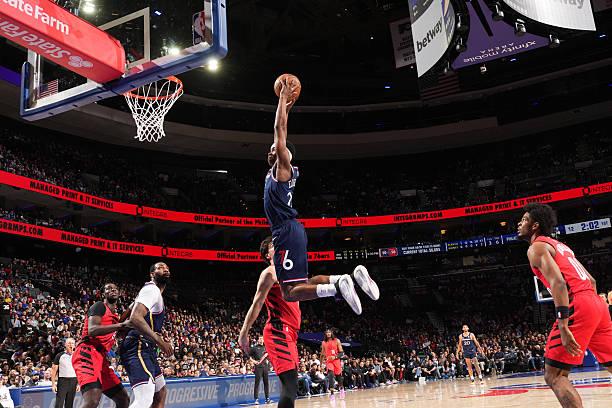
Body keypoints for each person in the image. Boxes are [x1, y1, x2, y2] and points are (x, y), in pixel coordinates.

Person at [263, 76, 379, 314]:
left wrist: (282, 98)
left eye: (274, 148)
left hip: (284, 230)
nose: (270, 150)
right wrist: (287, 107)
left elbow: (279, 129)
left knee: (289, 292)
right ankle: (346, 278)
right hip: (291, 229)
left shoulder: (282, 168)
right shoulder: (278, 171)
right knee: (303, 283)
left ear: (285, 154)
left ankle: (336, 288)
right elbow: (280, 131)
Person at [240, 237, 371, 408]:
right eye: (274, 246)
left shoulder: (289, 274)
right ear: (267, 255)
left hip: (291, 334)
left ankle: (347, 279)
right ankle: (337, 288)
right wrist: (244, 333)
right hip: (278, 331)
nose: (279, 247)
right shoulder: (270, 272)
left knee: (291, 385)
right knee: (290, 384)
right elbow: (256, 304)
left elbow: (311, 283)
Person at [518, 203, 612, 407]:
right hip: (596, 302)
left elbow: (558, 283)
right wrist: (593, 309)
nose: (519, 223)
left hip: (578, 302)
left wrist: (563, 324)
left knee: (554, 375)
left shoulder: (537, 247)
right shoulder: (561, 246)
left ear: (535, 225)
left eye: (524, 220)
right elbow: (592, 281)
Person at [120, 262, 173, 408]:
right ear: (152, 274)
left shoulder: (149, 292)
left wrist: (120, 328)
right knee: (144, 400)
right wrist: (160, 342)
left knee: (160, 392)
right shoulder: (152, 290)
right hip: (138, 345)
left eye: (167, 268)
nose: (165, 269)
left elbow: (128, 313)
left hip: (145, 346)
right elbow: (135, 317)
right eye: (160, 268)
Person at [72, 283, 131, 408]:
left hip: (101, 357)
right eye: (108, 288)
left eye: (115, 288)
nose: (112, 290)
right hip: (87, 351)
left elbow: (120, 326)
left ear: (119, 293)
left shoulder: (114, 317)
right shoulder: (99, 306)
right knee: (92, 400)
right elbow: (92, 330)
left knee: (123, 399)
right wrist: (120, 325)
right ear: (103, 293)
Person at [51, 338, 78, 408]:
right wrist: (53, 384)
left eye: (72, 343)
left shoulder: (77, 355)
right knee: (59, 403)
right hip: (63, 381)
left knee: (70, 404)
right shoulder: (59, 355)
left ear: (74, 345)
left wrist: (79, 383)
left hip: (74, 381)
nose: (70, 345)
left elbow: (79, 370)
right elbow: (54, 370)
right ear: (65, 345)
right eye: (69, 343)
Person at [321, 329, 345, 399]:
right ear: (325, 334)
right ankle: (332, 393)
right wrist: (321, 363)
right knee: (330, 375)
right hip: (329, 361)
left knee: (338, 376)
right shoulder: (323, 342)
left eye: (329, 332)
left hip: (336, 360)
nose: (328, 333)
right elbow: (322, 354)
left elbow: (341, 353)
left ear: (331, 333)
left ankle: (341, 389)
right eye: (327, 332)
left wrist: (335, 357)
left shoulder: (337, 340)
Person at [250, 335, 270, 404]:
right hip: (258, 367)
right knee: (257, 383)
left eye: (262, 339)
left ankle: (267, 398)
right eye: (260, 339)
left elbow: (269, 357)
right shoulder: (254, 348)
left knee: (266, 383)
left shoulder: (266, 348)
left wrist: (268, 361)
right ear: (258, 340)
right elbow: (248, 356)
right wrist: (254, 361)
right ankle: (256, 399)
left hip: (265, 367)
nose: (261, 340)